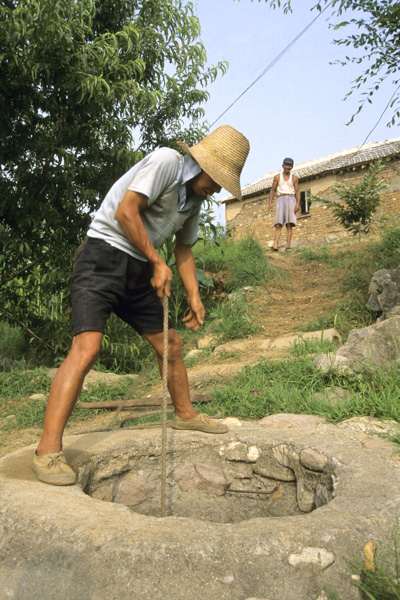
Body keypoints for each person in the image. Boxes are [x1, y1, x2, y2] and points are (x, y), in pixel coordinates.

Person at [33, 125, 250, 486]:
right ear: (204, 166)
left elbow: (183, 250)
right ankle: (47, 450)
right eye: (218, 181)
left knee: (171, 344)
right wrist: (156, 262)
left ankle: (185, 413)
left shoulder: (194, 200)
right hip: (101, 257)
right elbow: (126, 212)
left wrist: (194, 297)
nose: (217, 190)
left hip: (138, 268)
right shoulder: (166, 162)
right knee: (87, 350)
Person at [268, 157, 300, 251]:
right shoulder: (277, 177)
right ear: (283, 166)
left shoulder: (294, 178)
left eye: (289, 165)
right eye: (286, 165)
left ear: (292, 167)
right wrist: (270, 203)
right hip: (280, 199)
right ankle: (275, 246)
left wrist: (297, 204)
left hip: (290, 199)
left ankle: (288, 246)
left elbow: (297, 191)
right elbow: (272, 190)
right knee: (278, 224)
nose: (287, 167)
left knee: (289, 224)